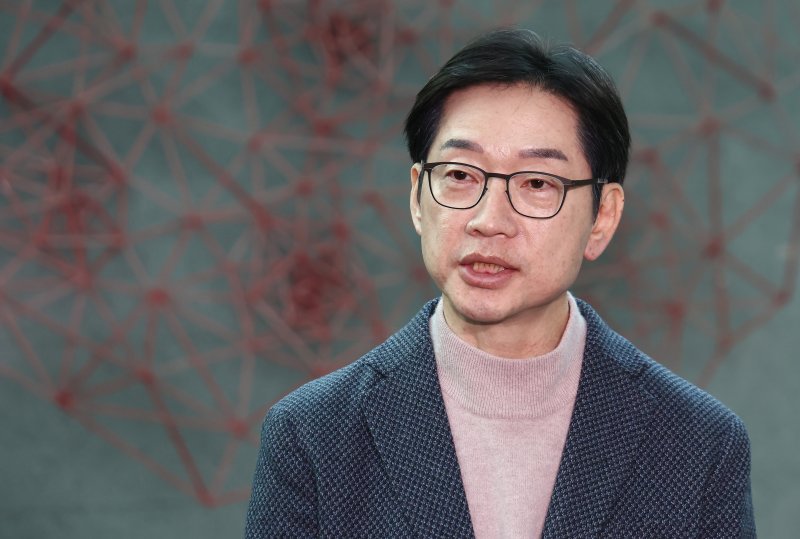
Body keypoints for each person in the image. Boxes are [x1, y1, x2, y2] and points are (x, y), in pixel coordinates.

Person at [245, 29, 755, 538]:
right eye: (460, 175)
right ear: (417, 197)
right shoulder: (313, 435)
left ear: (602, 217)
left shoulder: (700, 444)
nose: (489, 221)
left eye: (537, 183)